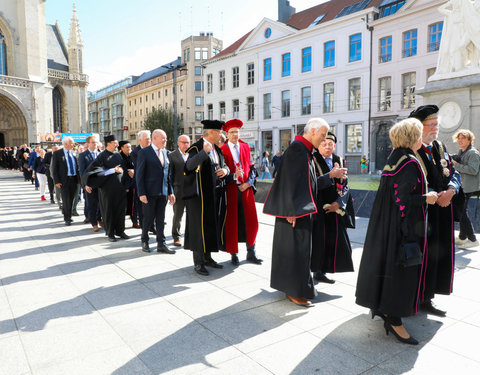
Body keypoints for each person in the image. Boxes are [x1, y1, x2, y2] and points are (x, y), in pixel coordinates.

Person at [356, 118, 438, 345]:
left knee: (386, 269)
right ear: (413, 137)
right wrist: (427, 198)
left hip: (386, 227)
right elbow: (404, 200)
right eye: (420, 134)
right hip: (402, 229)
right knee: (401, 273)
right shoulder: (409, 162)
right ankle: (394, 319)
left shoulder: (394, 158)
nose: (422, 138)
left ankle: (382, 308)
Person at [263, 118, 347, 306]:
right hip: (295, 212)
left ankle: (292, 287)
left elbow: (310, 182)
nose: (324, 139)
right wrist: (291, 211)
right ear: (313, 131)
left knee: (297, 251)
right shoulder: (298, 150)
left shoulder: (303, 150)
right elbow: (288, 183)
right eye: (323, 134)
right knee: (297, 251)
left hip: (298, 209)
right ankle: (295, 291)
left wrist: (330, 176)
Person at [411, 104, 462, 317]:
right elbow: (411, 181)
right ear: (418, 127)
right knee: (423, 257)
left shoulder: (440, 146)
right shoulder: (412, 149)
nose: (435, 128)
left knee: (438, 256)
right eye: (430, 125)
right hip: (423, 216)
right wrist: (434, 194)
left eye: (436, 124)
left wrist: (451, 189)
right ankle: (415, 297)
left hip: (443, 211)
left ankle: (428, 296)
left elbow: (454, 172)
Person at [184, 120, 229, 276]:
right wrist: (204, 153)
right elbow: (188, 167)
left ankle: (208, 257)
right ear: (211, 132)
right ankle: (198, 262)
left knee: (211, 225)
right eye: (219, 132)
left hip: (215, 193)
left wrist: (225, 170)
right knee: (198, 228)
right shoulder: (196, 147)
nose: (221, 135)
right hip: (199, 197)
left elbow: (226, 165)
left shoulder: (218, 149)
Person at [312, 132, 354, 284]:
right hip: (320, 207)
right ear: (319, 145)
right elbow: (312, 184)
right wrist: (330, 175)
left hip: (336, 209)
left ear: (335, 146)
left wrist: (339, 203)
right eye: (324, 144)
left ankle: (324, 271)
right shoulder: (313, 159)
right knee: (319, 241)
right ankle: (317, 270)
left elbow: (346, 185)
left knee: (335, 242)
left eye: (330, 144)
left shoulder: (339, 160)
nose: (327, 147)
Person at [221, 119, 262, 266]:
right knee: (233, 222)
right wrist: (234, 178)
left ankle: (251, 252)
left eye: (237, 132)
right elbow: (222, 173)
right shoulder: (223, 150)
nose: (235, 135)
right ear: (227, 134)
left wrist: (248, 183)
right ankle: (234, 254)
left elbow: (251, 168)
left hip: (246, 189)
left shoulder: (245, 147)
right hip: (231, 190)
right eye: (232, 132)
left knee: (251, 221)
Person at [136, 129, 175, 253]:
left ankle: (161, 244)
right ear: (155, 138)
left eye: (166, 138)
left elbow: (168, 175)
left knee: (160, 218)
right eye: (163, 138)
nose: (165, 140)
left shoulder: (165, 153)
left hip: (162, 192)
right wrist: (141, 193)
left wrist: (170, 192)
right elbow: (139, 175)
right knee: (148, 218)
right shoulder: (144, 153)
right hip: (149, 193)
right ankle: (145, 241)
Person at [84, 134, 129, 242]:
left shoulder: (118, 155)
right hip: (107, 189)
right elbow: (96, 172)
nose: (117, 144)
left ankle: (120, 231)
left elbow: (123, 169)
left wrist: (126, 184)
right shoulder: (101, 156)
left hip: (119, 188)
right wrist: (113, 170)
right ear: (108, 144)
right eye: (115, 143)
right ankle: (110, 233)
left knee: (120, 210)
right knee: (109, 211)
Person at [451, 129, 480, 248]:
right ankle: (463, 237)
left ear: (469, 140)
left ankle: (472, 239)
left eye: (463, 138)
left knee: (462, 212)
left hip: (469, 186)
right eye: (459, 138)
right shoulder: (461, 151)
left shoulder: (472, 153)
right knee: (461, 210)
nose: (460, 140)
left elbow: (473, 170)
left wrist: (456, 165)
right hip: (462, 185)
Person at [51, 137, 80, 226]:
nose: (73, 145)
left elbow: (76, 166)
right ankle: (67, 218)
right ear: (66, 144)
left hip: (73, 179)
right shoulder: (57, 153)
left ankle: (67, 213)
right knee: (66, 199)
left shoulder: (73, 153)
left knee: (71, 198)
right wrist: (57, 181)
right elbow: (54, 168)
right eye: (72, 143)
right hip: (64, 180)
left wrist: (79, 179)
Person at [168, 134, 191, 247]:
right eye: (183, 142)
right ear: (178, 143)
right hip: (178, 190)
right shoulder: (172, 155)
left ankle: (190, 235)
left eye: (187, 142)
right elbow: (169, 175)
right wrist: (170, 192)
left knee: (192, 214)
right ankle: (176, 236)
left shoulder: (193, 155)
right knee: (178, 215)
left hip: (191, 191)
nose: (186, 145)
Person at [79, 135, 102, 232]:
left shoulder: (101, 154)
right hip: (90, 184)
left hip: (101, 184)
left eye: (96, 142)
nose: (95, 144)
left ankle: (99, 219)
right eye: (93, 142)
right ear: (88, 144)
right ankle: (94, 223)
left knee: (101, 204)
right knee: (92, 204)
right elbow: (82, 172)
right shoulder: (83, 155)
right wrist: (85, 185)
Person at [131, 130, 152, 229]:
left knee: (152, 205)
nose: (149, 141)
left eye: (149, 138)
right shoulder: (135, 152)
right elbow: (139, 168)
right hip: (141, 183)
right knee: (141, 206)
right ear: (140, 140)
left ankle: (152, 225)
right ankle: (144, 226)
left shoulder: (153, 149)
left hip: (152, 182)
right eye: (147, 139)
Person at [119, 140, 136, 228]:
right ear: (121, 148)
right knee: (123, 206)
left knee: (132, 204)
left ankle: (134, 221)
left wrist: (133, 171)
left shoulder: (132, 156)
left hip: (132, 183)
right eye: (127, 147)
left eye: (130, 147)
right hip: (123, 184)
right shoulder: (119, 157)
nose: (129, 149)